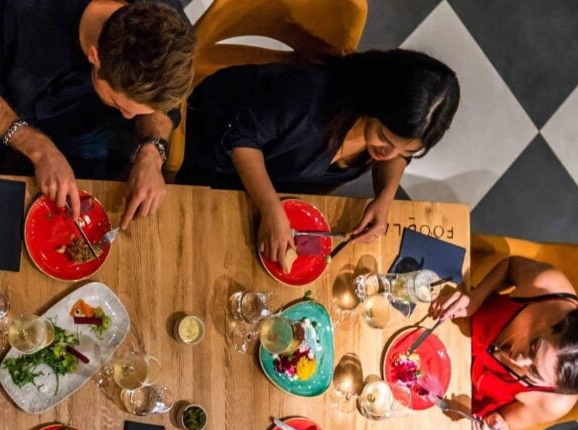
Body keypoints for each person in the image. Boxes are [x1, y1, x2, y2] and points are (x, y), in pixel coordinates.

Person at [180, 49, 460, 269]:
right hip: (213, 155)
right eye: (385, 139)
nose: (388, 155)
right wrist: (270, 206)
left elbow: (395, 155)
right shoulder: (309, 95)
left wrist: (385, 196)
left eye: (406, 152)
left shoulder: (390, 142)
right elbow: (240, 137)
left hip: (271, 184)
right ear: (376, 103)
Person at [0, 0, 195, 227]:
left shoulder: (168, 23)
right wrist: (39, 148)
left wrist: (152, 151)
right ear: (95, 56)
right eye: (120, 106)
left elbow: (162, 103)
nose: (129, 118)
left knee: (87, 199)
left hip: (85, 119)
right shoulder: (15, 10)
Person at [430, 255, 578, 430]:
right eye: (534, 345)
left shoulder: (554, 403)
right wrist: (477, 297)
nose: (518, 358)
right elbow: (510, 267)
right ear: (554, 322)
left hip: (444, 393)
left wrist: (497, 428)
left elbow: (506, 424)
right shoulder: (548, 286)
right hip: (445, 323)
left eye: (534, 372)